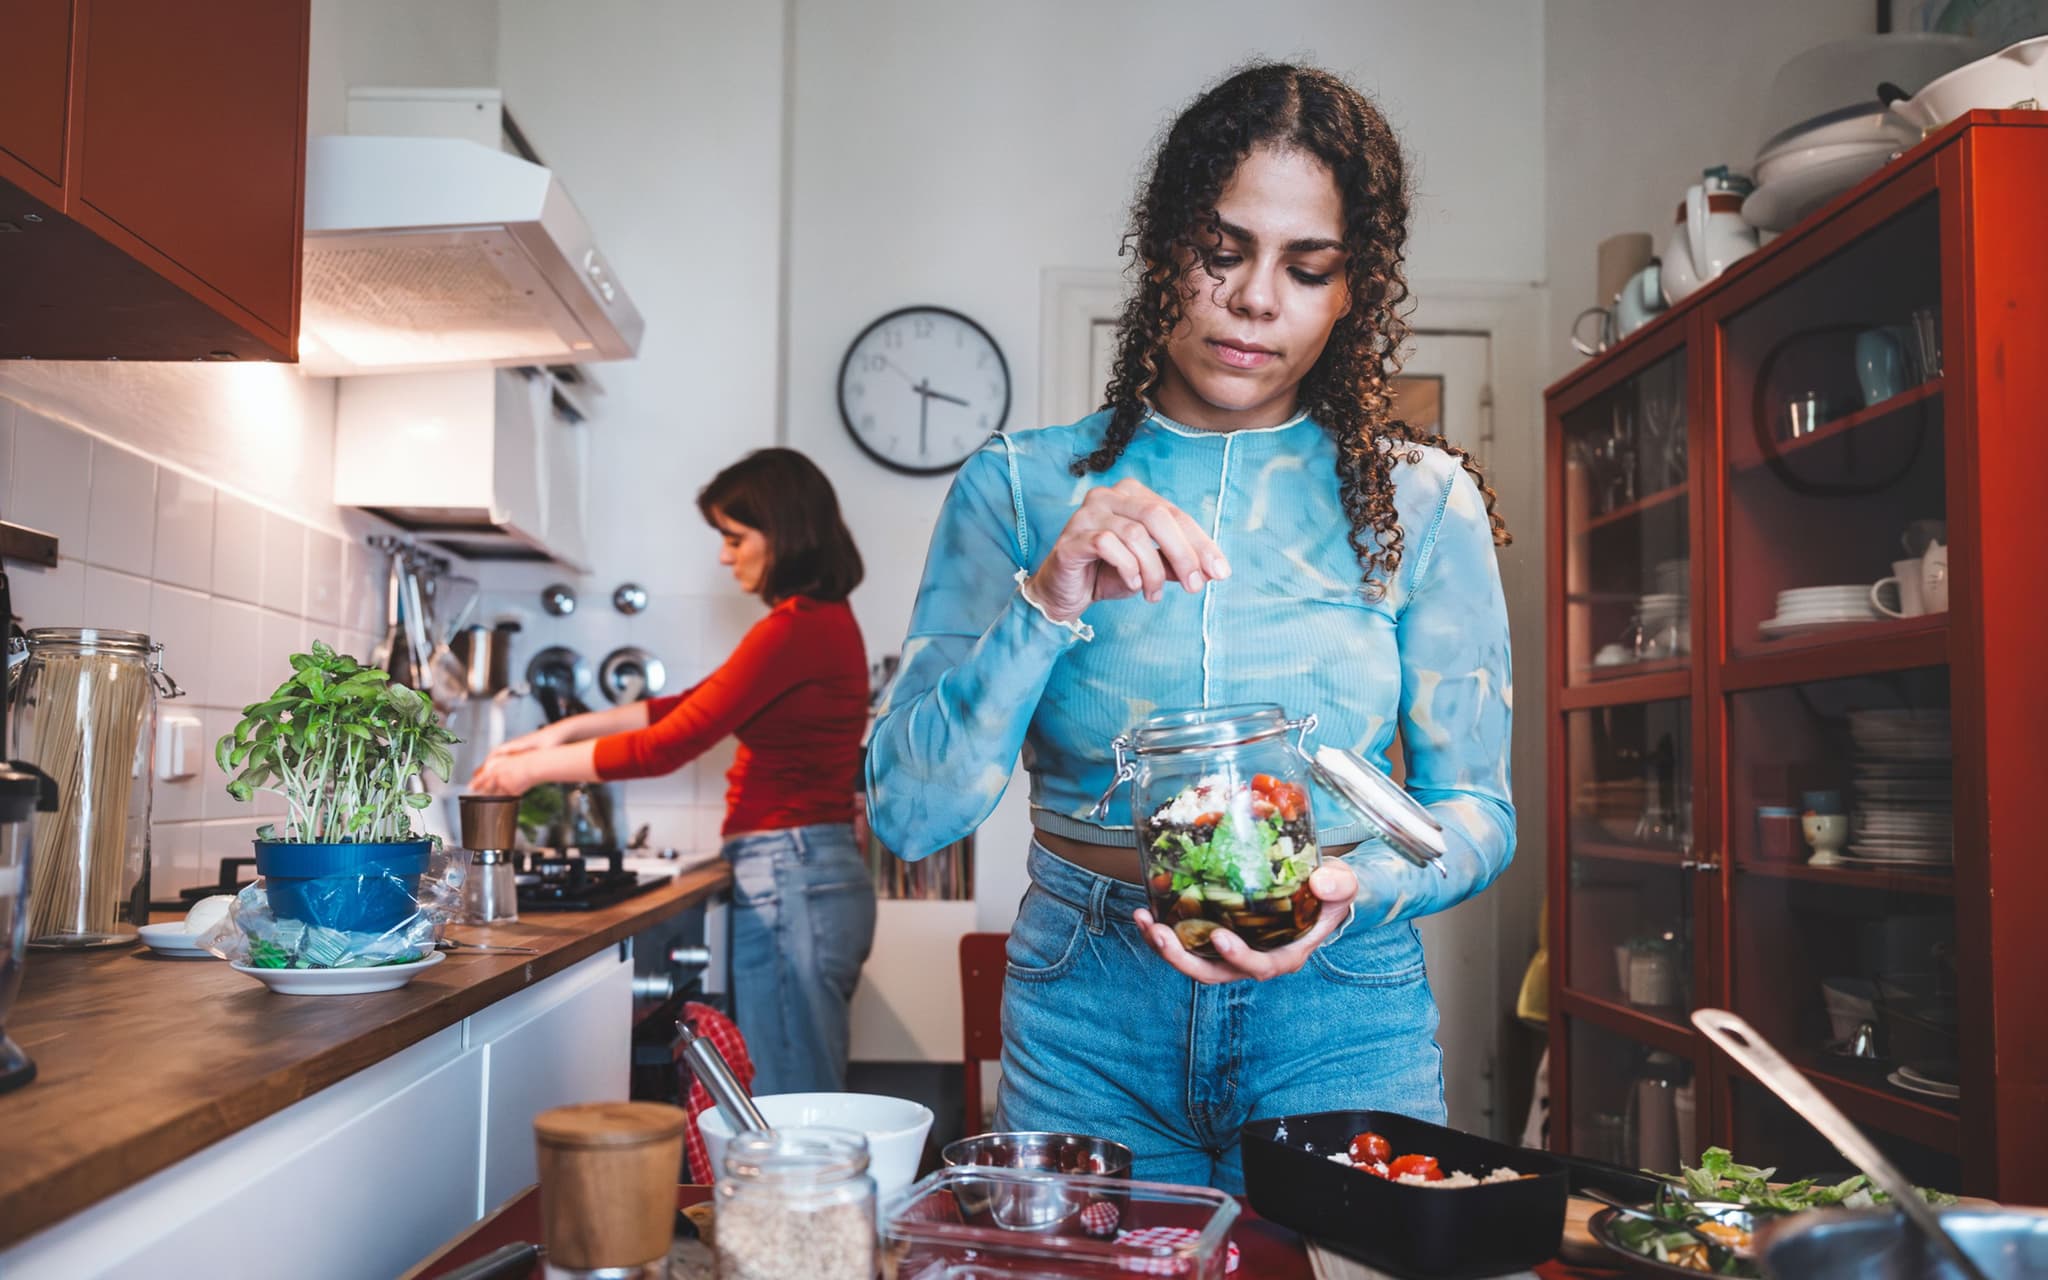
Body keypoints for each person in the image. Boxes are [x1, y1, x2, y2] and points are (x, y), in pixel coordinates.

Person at [865, 63, 1514, 1191]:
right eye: (1222, 250)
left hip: (1343, 1008)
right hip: (1087, 1003)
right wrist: (1044, 601)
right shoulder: (1018, 488)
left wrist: (1359, 888)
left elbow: (1475, 810)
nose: (1256, 298)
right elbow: (909, 813)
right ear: (1163, 249)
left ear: (1348, 291)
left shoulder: (1423, 502)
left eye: (1305, 267)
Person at [474, 448, 877, 1095]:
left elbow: (667, 745)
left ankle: (804, 1204)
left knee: (791, 1106)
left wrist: (531, 772)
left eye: (734, 537)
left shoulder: (796, 629)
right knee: (794, 1095)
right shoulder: (816, 625)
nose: (724, 555)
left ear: (786, 533)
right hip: (803, 871)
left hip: (790, 873)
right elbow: (690, 703)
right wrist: (561, 731)